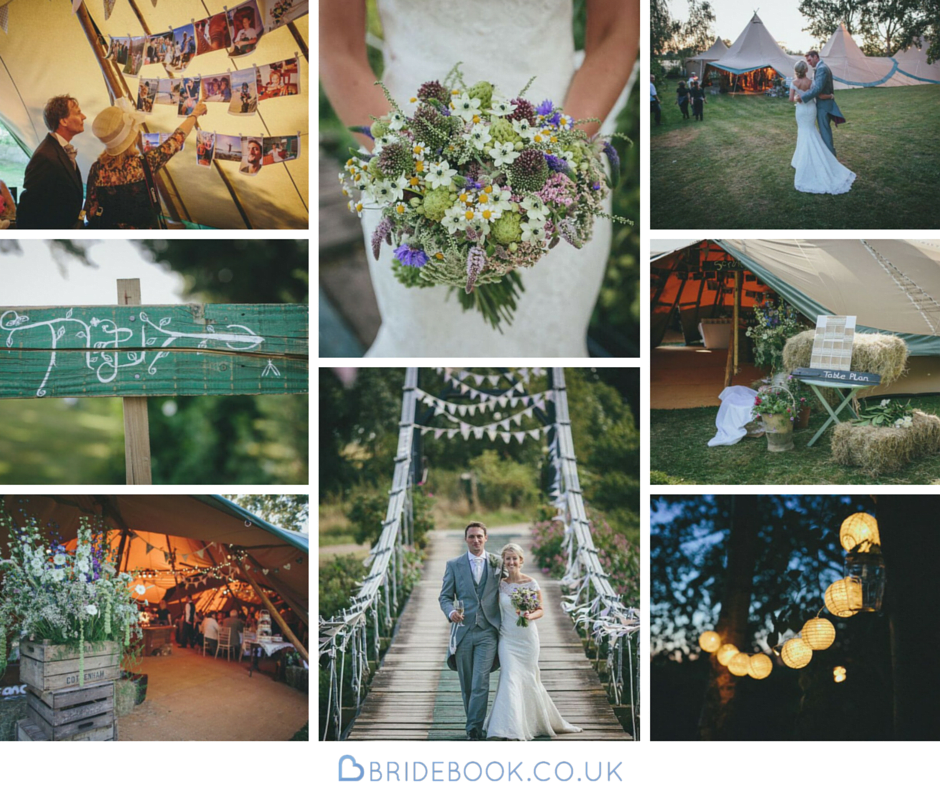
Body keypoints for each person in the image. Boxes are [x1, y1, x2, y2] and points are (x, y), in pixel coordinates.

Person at [320, 0, 638, 357]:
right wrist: (410, 170)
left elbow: (616, 29)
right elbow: (338, 47)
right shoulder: (411, 175)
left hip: (555, 164)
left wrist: (560, 157)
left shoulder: (557, 175)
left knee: (548, 347)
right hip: (412, 168)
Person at [485, 544, 582, 740]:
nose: (511, 562)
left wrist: (529, 615)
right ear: (504, 562)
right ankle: (508, 726)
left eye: (515, 558)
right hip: (507, 638)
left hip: (527, 638)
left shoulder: (531, 583)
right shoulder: (500, 584)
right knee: (510, 676)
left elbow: (541, 609)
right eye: (508, 559)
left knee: (528, 678)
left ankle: (530, 722)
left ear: (521, 561)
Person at [84, 97, 207, 228]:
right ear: (133, 137)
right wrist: (195, 114)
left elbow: (90, 212)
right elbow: (177, 139)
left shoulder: (97, 169)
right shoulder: (144, 164)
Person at [438, 522, 501, 740]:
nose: (476, 540)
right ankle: (473, 723)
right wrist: (450, 613)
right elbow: (445, 597)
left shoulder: (497, 563)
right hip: (463, 631)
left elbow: (511, 587)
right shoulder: (454, 565)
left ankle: (473, 729)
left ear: (486, 538)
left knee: (480, 681)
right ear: (466, 539)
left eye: (479, 536)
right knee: (466, 683)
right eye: (472, 536)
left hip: (487, 631)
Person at [17, 95, 87, 229]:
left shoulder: (60, 150)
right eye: (78, 113)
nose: (84, 117)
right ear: (64, 121)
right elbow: (30, 208)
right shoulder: (45, 156)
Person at [789, 60, 855, 195]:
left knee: (802, 132)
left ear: (796, 70)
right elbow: (818, 95)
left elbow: (791, 99)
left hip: (801, 110)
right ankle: (805, 157)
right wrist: (830, 95)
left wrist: (797, 97)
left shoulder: (793, 83)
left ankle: (802, 160)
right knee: (811, 130)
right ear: (806, 70)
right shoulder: (812, 82)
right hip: (811, 109)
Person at [798, 50, 845, 158]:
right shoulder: (821, 68)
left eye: (810, 60)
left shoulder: (822, 69)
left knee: (825, 132)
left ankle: (831, 158)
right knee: (824, 131)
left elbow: (818, 88)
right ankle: (828, 156)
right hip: (824, 103)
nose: (809, 63)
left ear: (815, 57)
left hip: (824, 106)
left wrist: (803, 97)